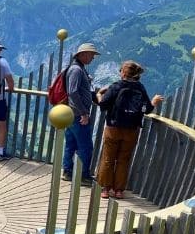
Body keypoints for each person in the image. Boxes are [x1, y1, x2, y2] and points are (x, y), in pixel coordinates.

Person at [96, 61, 164, 199]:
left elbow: (103, 105)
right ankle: (119, 190)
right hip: (131, 130)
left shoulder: (116, 86)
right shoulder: (140, 88)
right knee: (123, 160)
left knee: (108, 158)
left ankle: (105, 189)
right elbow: (146, 109)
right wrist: (154, 101)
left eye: (121, 70)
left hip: (113, 128)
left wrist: (99, 94)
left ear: (124, 72)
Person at [61, 42, 101, 185]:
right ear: (83, 55)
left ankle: (68, 171)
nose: (93, 58)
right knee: (85, 146)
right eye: (91, 55)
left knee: (71, 143)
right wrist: (84, 113)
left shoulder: (79, 69)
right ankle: (83, 176)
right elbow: (73, 92)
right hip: (78, 115)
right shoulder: (77, 70)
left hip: (72, 114)